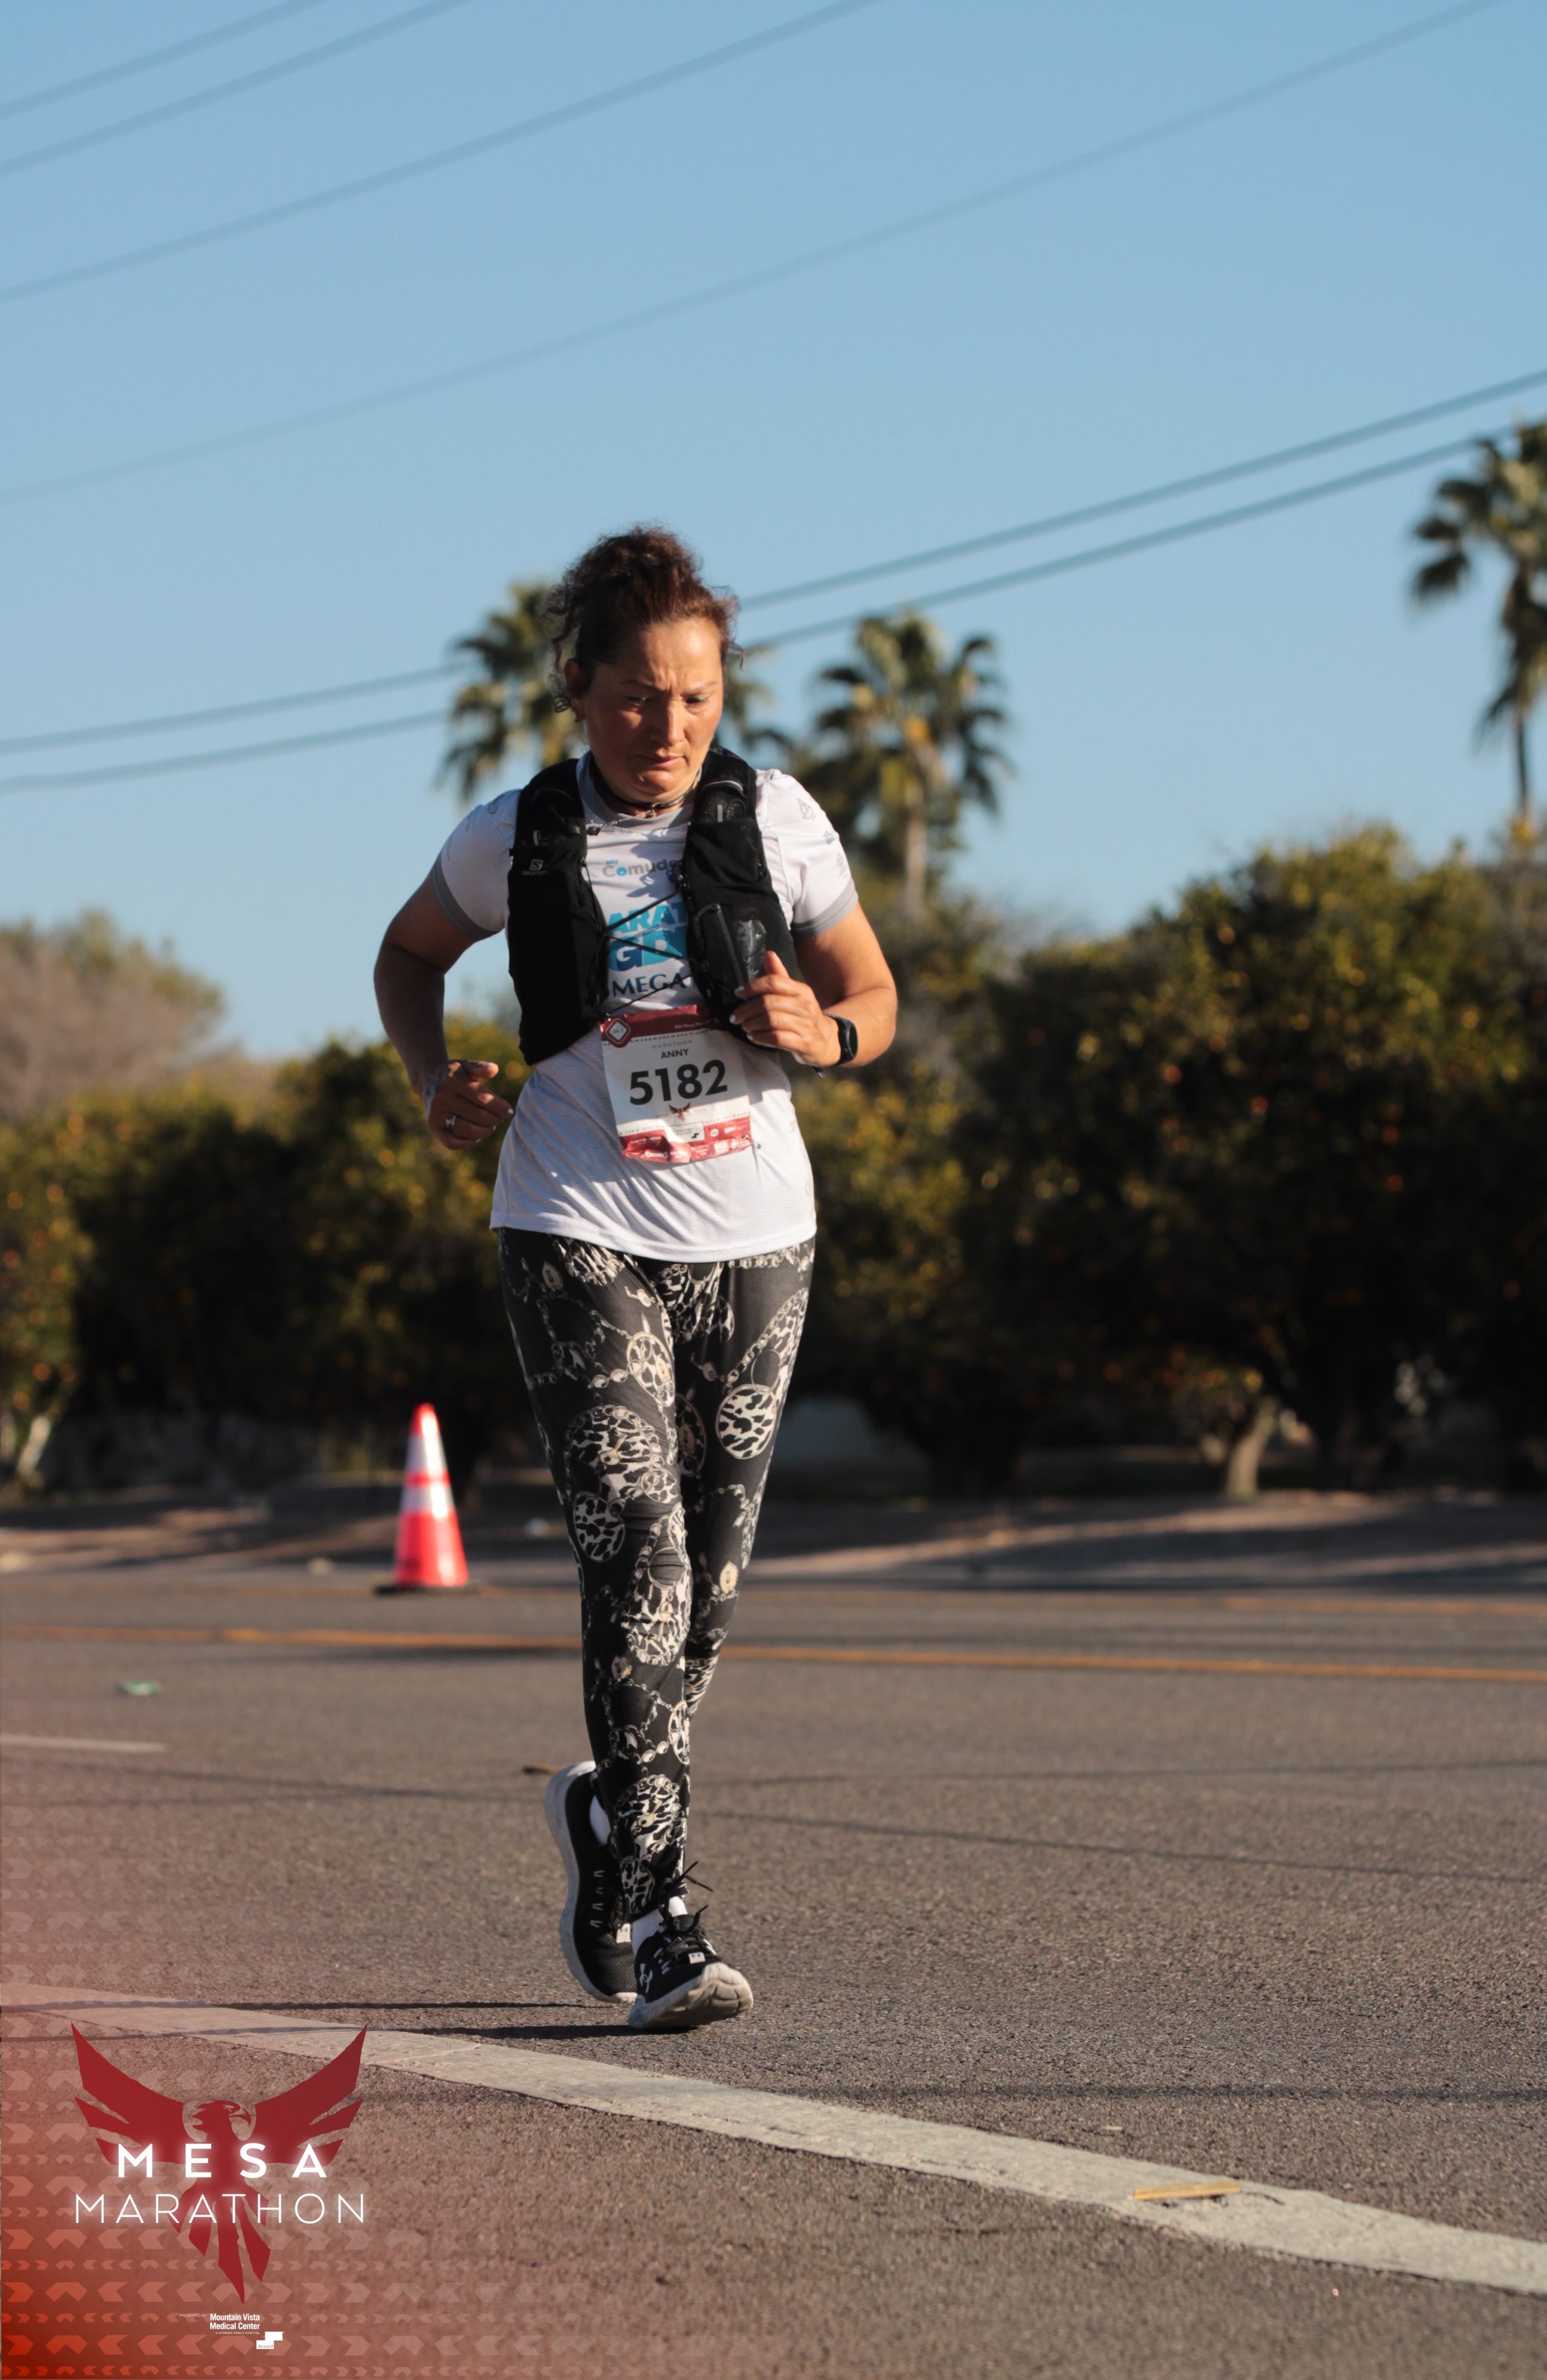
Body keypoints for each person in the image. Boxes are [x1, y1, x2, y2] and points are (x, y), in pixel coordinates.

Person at [375, 526, 896, 2032]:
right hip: (573, 1221)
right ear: (577, 688)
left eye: (695, 697)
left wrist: (825, 1036)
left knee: (705, 1596)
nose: (666, 727)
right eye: (634, 698)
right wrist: (433, 1086)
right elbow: (407, 959)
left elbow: (873, 996)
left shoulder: (777, 818)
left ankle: (610, 1808)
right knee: (640, 1567)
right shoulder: (512, 836)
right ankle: (663, 1915)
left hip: (757, 1235)